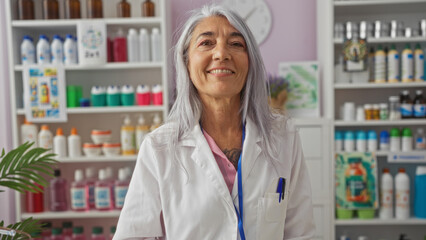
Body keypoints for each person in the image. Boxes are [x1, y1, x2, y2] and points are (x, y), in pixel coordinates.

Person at [114, 4, 315, 240]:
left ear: (250, 63)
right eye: (206, 43)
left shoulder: (283, 136)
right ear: (187, 63)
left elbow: (301, 233)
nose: (221, 54)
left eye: (236, 44)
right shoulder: (159, 148)